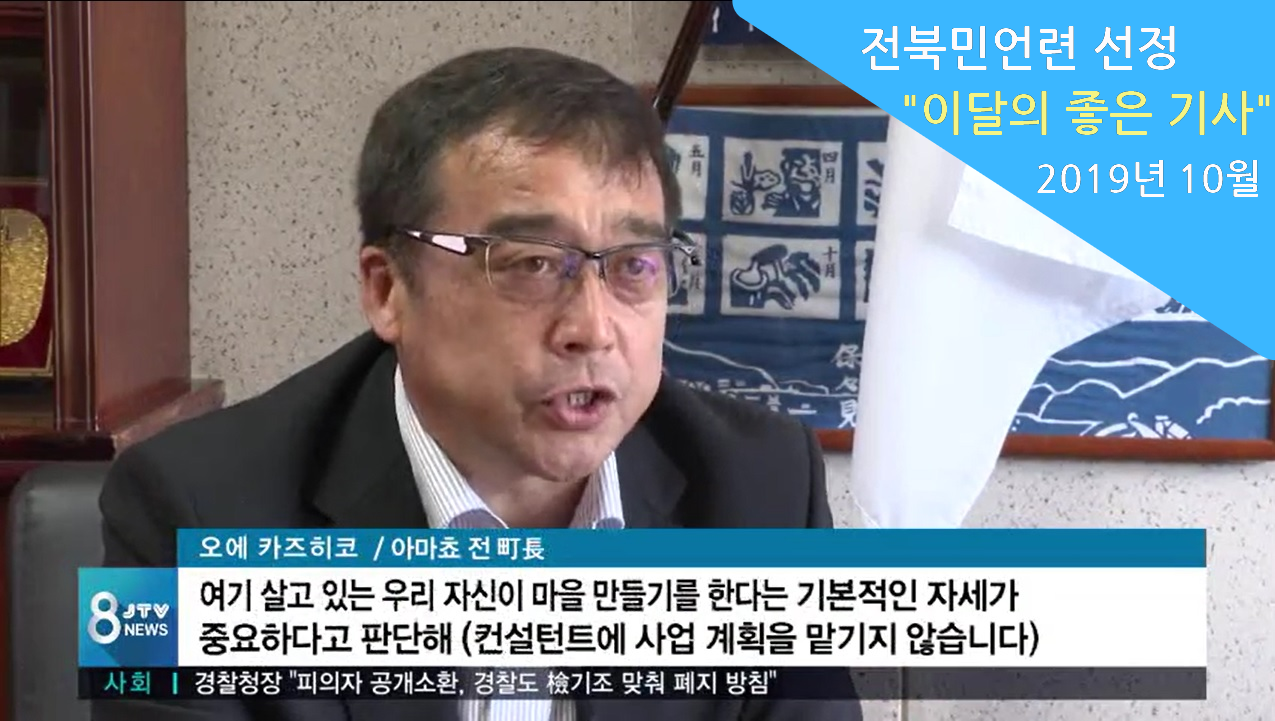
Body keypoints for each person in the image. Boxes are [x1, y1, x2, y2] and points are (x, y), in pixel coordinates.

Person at [93, 47, 863, 721]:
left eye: (633, 266)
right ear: (387, 290)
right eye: (531, 263)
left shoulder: (763, 493)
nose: (593, 329)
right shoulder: (187, 511)